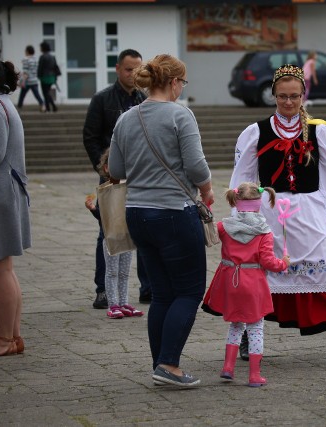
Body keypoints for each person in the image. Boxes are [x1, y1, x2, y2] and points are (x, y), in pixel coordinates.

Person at [230, 64, 326, 360]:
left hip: (311, 211)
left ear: (303, 96)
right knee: (259, 274)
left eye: (294, 96)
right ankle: (247, 337)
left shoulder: (320, 131)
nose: (288, 102)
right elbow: (243, 178)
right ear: (273, 95)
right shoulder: (255, 132)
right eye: (282, 96)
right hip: (270, 212)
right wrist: (242, 215)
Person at [108, 53, 213, 388]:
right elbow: (196, 167)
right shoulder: (180, 115)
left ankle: (161, 364)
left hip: (137, 213)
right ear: (173, 82)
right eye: (182, 82)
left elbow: (116, 171)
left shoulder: (126, 118)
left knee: (163, 293)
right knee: (190, 290)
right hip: (173, 212)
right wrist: (207, 190)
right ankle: (168, 365)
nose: (182, 88)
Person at [202, 182, 290, 387]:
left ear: (236, 202)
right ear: (259, 205)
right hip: (253, 283)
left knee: (236, 325)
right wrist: (282, 263)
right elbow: (268, 262)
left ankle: (228, 368)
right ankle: (254, 375)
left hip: (230, 282)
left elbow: (212, 235)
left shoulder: (224, 227)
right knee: (256, 328)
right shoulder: (264, 232)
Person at [83, 49, 149, 309]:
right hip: (111, 176)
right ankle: (103, 290)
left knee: (143, 230)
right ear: (118, 69)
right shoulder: (102, 99)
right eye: (128, 69)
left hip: (139, 178)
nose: (133, 74)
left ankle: (148, 287)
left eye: (138, 69)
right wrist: (104, 170)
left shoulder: (144, 98)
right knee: (108, 232)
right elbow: (90, 136)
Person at [0, 55, 31, 357]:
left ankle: (4, 339)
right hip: (6, 192)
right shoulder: (3, 101)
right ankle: (12, 337)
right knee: (4, 268)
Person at [85, 148, 143, 320]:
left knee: (124, 272)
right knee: (112, 272)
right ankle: (113, 304)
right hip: (110, 238)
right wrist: (93, 209)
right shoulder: (105, 191)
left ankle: (124, 302)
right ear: (106, 169)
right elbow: (103, 218)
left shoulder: (128, 188)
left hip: (127, 237)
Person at [16, 45, 44, 112]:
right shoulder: (36, 59)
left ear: (27, 51)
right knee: (37, 95)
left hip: (27, 81)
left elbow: (26, 72)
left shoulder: (26, 59)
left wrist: (21, 81)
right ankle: (43, 106)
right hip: (34, 80)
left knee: (22, 95)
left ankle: (18, 108)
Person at [37, 41, 59, 113]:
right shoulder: (52, 57)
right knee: (47, 92)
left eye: (40, 47)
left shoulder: (42, 57)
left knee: (45, 93)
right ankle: (50, 107)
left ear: (43, 48)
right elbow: (55, 67)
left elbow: (40, 68)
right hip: (51, 77)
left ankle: (50, 107)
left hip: (44, 77)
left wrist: (38, 76)